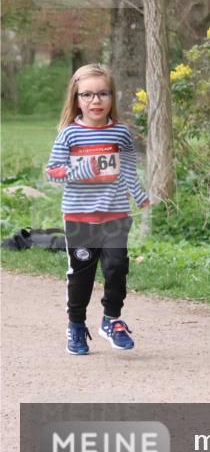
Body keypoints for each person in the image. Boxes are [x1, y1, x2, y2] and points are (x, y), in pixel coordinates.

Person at [45, 64, 149, 355]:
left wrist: (140, 195)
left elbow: (129, 169)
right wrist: (82, 168)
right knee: (82, 276)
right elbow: (53, 173)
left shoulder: (120, 133)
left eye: (103, 93)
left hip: (115, 215)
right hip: (79, 218)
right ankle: (76, 325)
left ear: (112, 97)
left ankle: (111, 320)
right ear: (76, 99)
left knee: (116, 268)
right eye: (87, 94)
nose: (96, 101)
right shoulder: (69, 135)